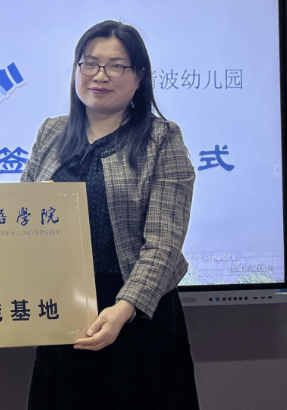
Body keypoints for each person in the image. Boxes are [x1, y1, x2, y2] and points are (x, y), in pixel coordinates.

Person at [20, 20, 199, 409]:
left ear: (139, 76)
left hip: (137, 315)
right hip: (64, 312)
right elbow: (19, 219)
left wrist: (124, 308)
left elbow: (164, 242)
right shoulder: (51, 132)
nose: (100, 75)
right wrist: (32, 210)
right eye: (90, 63)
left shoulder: (161, 138)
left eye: (116, 65)